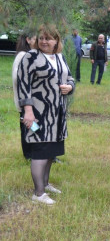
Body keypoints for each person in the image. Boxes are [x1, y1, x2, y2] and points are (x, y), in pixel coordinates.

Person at [17, 23, 75, 205]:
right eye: (41, 38)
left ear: (56, 41)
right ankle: (38, 192)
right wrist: (28, 111)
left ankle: (46, 183)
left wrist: (70, 86)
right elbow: (23, 84)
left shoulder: (59, 57)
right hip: (38, 113)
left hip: (57, 115)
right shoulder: (31, 57)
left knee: (51, 152)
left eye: (48, 38)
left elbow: (70, 77)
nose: (43, 41)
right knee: (40, 152)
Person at [12, 30, 36, 160]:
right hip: (24, 100)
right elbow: (17, 78)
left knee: (33, 127)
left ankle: (35, 153)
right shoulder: (22, 55)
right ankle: (28, 155)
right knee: (27, 126)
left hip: (30, 99)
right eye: (36, 38)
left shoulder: (30, 55)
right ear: (28, 39)